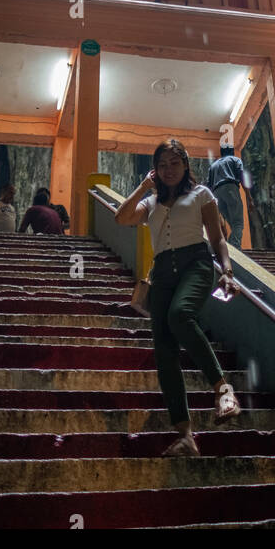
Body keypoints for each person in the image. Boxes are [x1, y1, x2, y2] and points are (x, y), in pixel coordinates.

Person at [116, 136, 241, 456]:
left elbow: (218, 238)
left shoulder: (202, 194)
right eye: (162, 165)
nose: (168, 169)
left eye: (175, 163)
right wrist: (145, 186)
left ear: (186, 165)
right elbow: (121, 217)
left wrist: (226, 271)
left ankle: (223, 390)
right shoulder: (151, 203)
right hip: (162, 274)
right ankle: (185, 435)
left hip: (196, 264)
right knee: (164, 350)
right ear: (154, 170)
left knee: (180, 315)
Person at [206, 142, 245, 249]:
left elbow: (208, 186)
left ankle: (230, 246)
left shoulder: (213, 165)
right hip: (230, 188)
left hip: (216, 193)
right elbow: (242, 177)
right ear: (232, 152)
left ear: (221, 153)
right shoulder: (235, 160)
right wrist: (249, 197)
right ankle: (235, 248)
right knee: (238, 223)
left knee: (233, 223)